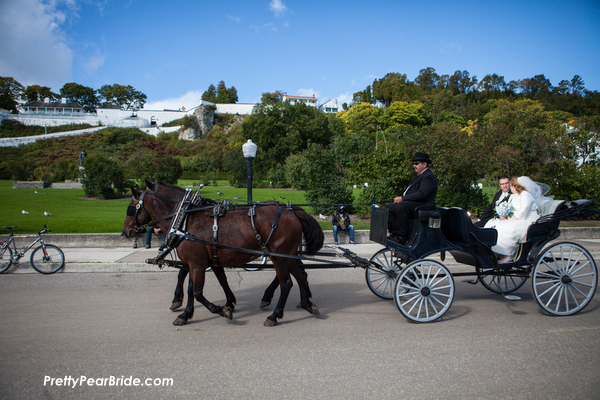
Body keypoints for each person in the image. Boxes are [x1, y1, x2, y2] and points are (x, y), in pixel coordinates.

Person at [484, 176, 552, 263]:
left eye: (511, 185)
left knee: (508, 228)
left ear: (514, 186)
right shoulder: (514, 196)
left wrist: (511, 220)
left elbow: (523, 211)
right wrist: (504, 215)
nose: (509, 187)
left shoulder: (526, 195)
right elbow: (510, 209)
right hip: (516, 219)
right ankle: (494, 252)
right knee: (493, 224)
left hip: (526, 220)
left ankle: (507, 256)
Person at [385, 152, 438, 245]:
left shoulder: (428, 176)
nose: (414, 166)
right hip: (415, 204)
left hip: (424, 205)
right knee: (388, 207)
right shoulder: (419, 176)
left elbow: (422, 194)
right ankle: (395, 233)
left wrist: (402, 198)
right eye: (414, 163)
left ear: (424, 164)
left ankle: (402, 236)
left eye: (416, 163)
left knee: (402, 206)